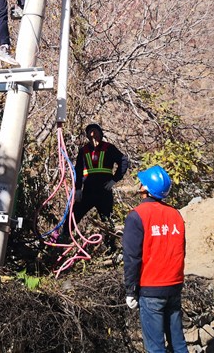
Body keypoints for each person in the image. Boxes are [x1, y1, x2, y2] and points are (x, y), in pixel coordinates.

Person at [122, 165, 187, 353]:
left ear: (145, 188)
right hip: (174, 286)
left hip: (151, 290)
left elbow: (132, 257)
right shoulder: (175, 214)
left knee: (155, 348)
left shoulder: (137, 216)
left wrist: (130, 290)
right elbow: (181, 250)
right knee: (178, 344)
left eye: (142, 182)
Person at [69, 123, 129, 229]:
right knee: (74, 215)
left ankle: (111, 238)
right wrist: (78, 189)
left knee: (107, 220)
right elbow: (78, 170)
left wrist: (114, 180)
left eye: (95, 132)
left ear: (101, 135)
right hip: (88, 190)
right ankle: (64, 234)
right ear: (88, 136)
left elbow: (123, 160)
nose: (93, 135)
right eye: (90, 133)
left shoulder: (109, 148)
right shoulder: (83, 150)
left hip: (104, 190)